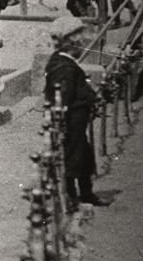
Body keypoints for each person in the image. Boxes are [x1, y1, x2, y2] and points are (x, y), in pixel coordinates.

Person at [44, 16, 105, 210]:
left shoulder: (64, 63)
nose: (82, 44)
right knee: (71, 159)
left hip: (77, 123)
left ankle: (86, 193)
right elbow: (63, 96)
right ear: (71, 42)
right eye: (79, 40)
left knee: (83, 158)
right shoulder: (64, 67)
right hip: (70, 122)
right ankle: (70, 198)